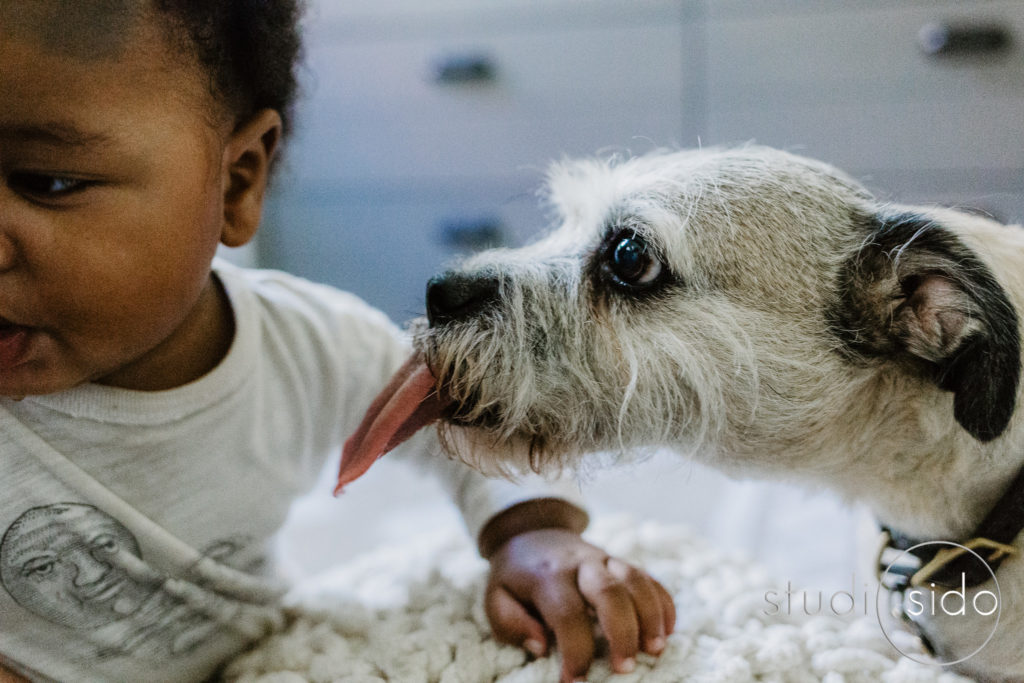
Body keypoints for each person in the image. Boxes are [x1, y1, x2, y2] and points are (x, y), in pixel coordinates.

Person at [0, 2, 675, 682]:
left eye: (46, 182)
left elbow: (462, 409)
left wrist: (530, 534)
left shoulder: (305, 343)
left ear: (235, 184)